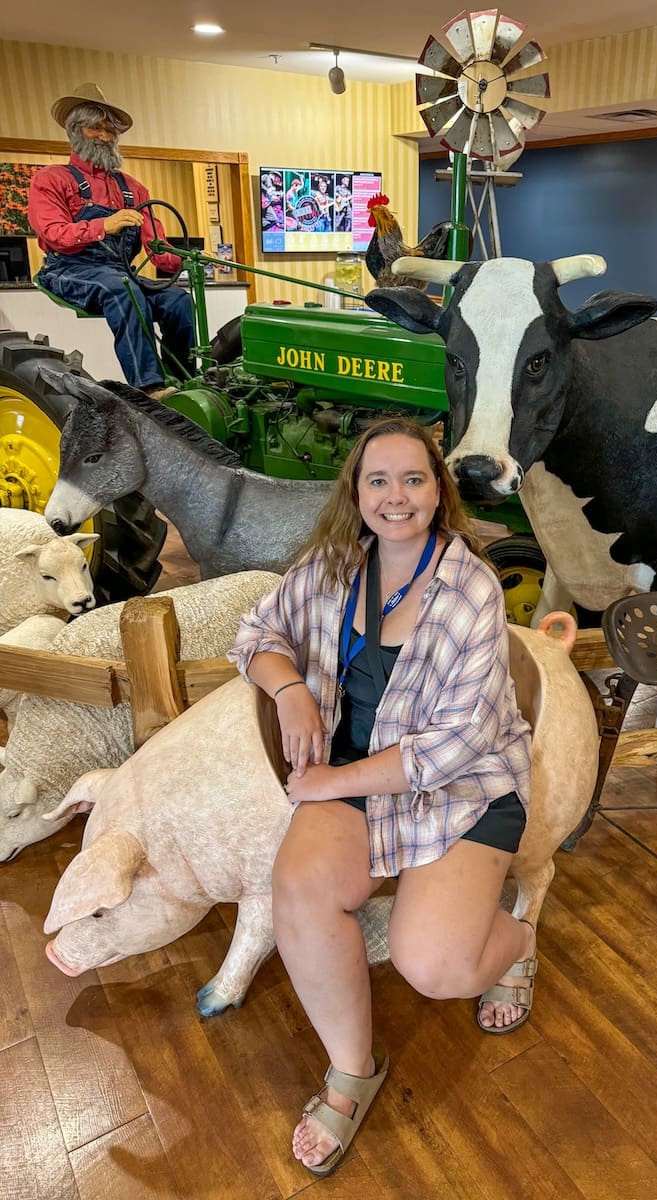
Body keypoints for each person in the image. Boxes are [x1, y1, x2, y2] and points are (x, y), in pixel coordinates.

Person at [228, 418, 534, 1178]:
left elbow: (453, 747)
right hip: (359, 775)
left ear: (439, 490)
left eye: (413, 479)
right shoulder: (336, 565)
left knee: (433, 966)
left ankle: (520, 942)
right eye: (378, 480)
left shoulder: (472, 590)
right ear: (356, 492)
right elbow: (259, 630)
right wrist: (291, 687)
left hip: (462, 789)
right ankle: (352, 1068)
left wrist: (330, 780)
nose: (396, 497)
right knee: (296, 887)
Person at [27, 83, 194, 400]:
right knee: (122, 288)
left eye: (110, 130)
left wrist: (187, 258)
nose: (105, 136)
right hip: (67, 269)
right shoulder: (51, 179)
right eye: (96, 128)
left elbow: (157, 248)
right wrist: (105, 224)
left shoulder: (133, 189)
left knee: (177, 300)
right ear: (76, 131)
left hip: (119, 270)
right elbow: (54, 233)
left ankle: (184, 381)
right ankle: (149, 387)